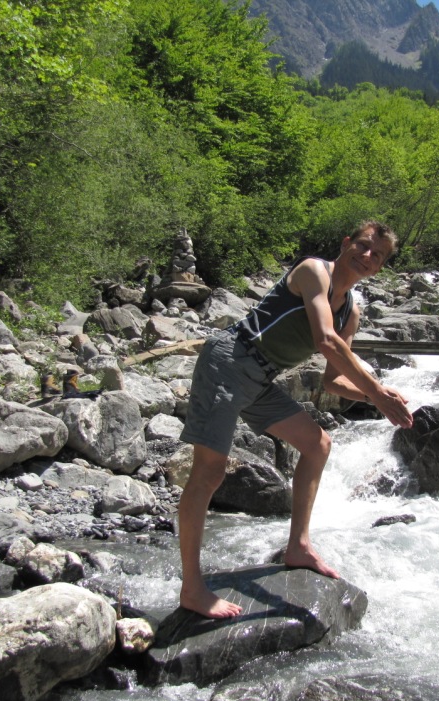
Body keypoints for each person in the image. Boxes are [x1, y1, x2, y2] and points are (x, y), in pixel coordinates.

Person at [177, 220, 415, 618]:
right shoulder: (312, 271)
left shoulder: (351, 312)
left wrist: (384, 399)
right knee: (210, 470)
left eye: (378, 255)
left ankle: (298, 546)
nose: (367, 256)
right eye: (363, 246)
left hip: (260, 380)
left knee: (318, 442)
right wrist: (375, 390)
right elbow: (324, 340)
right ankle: (192, 588)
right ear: (346, 244)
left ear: (381, 266)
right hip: (229, 361)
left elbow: (333, 379)